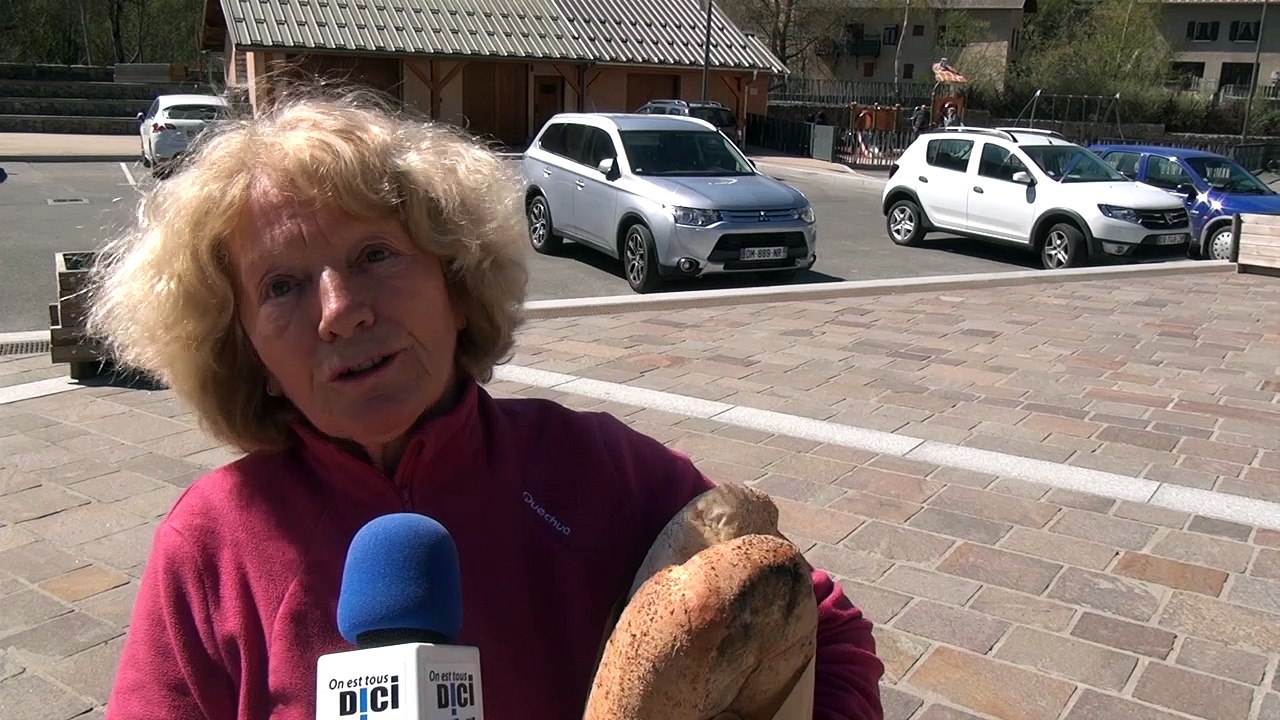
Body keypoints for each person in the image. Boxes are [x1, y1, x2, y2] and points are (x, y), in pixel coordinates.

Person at [88, 81, 885, 720]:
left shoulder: (594, 468)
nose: (339, 310)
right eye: (283, 286)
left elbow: (825, 631)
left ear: (458, 284)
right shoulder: (209, 545)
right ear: (248, 353)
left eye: (373, 254)